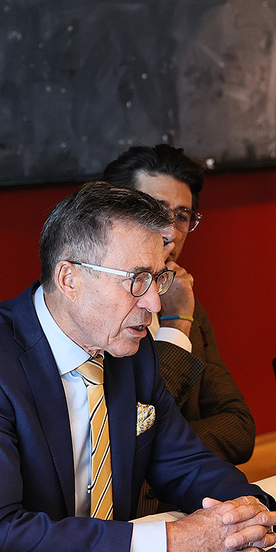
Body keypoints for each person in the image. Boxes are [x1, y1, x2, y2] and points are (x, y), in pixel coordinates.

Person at [0, 181, 276, 552]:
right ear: (69, 279)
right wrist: (170, 544)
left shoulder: (130, 350)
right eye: (136, 279)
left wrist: (246, 512)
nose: (154, 303)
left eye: (157, 278)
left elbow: (187, 465)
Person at [101, 145, 255, 467]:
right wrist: (175, 326)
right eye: (155, 210)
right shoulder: (94, 306)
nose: (170, 232)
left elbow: (239, 429)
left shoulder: (183, 298)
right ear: (112, 213)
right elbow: (125, 435)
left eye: (182, 217)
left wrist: (160, 444)